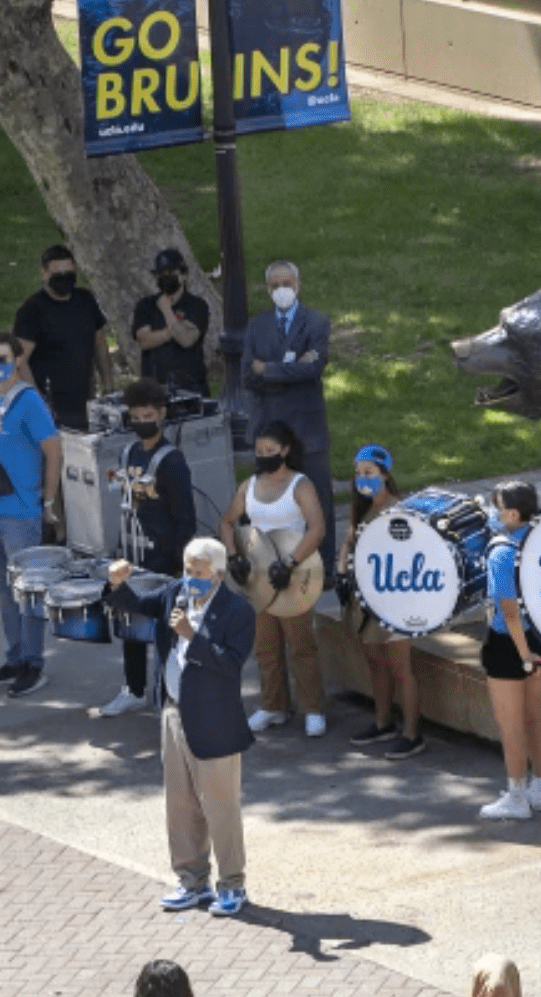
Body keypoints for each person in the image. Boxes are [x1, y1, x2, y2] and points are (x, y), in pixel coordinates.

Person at [108, 539, 255, 917]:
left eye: (198, 572)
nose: (190, 578)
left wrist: (192, 636)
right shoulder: (175, 593)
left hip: (215, 720)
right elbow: (140, 606)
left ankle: (232, 885)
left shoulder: (238, 611)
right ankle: (192, 880)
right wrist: (116, 586)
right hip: (174, 714)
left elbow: (231, 663)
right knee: (180, 803)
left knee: (220, 807)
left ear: (218, 575)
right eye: (187, 570)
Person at [221, 421, 328, 739]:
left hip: (294, 575)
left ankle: (313, 709)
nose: (263, 456)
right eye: (258, 451)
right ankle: (274, 705)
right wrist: (232, 556)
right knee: (266, 645)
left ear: (285, 450)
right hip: (259, 576)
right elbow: (227, 521)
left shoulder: (301, 485)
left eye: (270, 451)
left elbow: (317, 528)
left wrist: (291, 561)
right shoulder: (249, 486)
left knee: (300, 644)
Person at [0, 331, 64, 698]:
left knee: (27, 592)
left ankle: (33, 663)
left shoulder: (28, 402)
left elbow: (54, 451)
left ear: (17, 360)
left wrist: (48, 501)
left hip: (22, 511)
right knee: (2, 589)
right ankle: (14, 658)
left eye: (3, 358)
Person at [98, 377, 194, 719]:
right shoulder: (128, 453)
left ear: (162, 414)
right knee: (128, 618)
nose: (142, 422)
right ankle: (134, 688)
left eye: (148, 415)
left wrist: (181, 563)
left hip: (163, 554)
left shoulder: (172, 462)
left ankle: (172, 691)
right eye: (136, 416)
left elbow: (186, 518)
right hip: (133, 552)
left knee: (165, 628)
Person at [243, 260, 336, 578]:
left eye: (287, 283)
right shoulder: (257, 326)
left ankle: (324, 573)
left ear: (298, 284)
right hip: (270, 427)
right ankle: (272, 567)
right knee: (271, 501)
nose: (282, 289)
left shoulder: (316, 322)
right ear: (267, 289)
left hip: (306, 428)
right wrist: (292, 366)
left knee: (318, 498)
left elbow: (314, 367)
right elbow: (246, 375)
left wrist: (267, 369)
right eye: (275, 285)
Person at [338, 444, 424, 757]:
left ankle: (413, 733)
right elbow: (350, 540)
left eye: (370, 473)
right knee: (375, 662)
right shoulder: (362, 509)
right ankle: (383, 722)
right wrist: (342, 570)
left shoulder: (397, 511)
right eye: (359, 473)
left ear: (385, 476)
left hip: (394, 601)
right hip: (363, 599)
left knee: (401, 668)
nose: (363, 479)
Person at [478, 481, 541, 822]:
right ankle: (540, 788)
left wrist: (523, 656)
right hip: (538, 637)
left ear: (510, 513)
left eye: (496, 507)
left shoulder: (502, 552)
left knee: (511, 726)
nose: (492, 513)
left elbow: (509, 612)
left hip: (510, 646)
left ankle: (517, 796)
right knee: (534, 717)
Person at [13, 243, 112, 431]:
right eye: (57, 275)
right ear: (44, 274)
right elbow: (19, 361)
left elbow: (99, 343)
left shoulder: (86, 300)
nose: (64, 280)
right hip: (51, 404)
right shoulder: (32, 310)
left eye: (69, 274)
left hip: (85, 399)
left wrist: (108, 386)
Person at [132, 247, 211, 395]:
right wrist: (170, 333)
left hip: (191, 387)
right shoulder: (146, 305)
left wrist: (167, 311)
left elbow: (187, 339)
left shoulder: (197, 305)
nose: (164, 277)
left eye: (170, 273)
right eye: (160, 274)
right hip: (155, 389)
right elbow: (144, 340)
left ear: (183, 275)